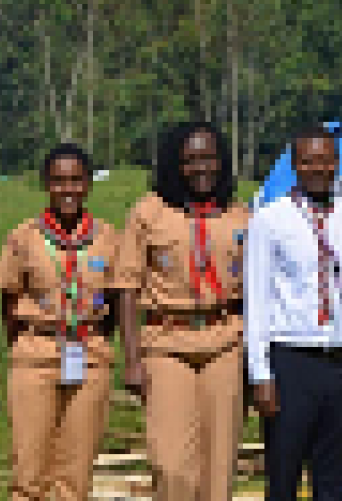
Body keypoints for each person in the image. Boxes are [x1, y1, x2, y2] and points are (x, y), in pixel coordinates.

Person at [115, 122, 249, 501]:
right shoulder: (150, 212)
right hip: (166, 341)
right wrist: (132, 360)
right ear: (175, 165)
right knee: (172, 463)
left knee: (219, 463)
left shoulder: (239, 215)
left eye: (208, 158)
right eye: (190, 160)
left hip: (224, 339)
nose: (201, 168)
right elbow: (126, 288)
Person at [246, 126, 342, 501]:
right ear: (294, 164)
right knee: (284, 474)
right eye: (307, 161)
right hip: (292, 358)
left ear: (337, 163)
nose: (317, 168)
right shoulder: (271, 220)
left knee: (334, 477)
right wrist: (261, 373)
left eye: (325, 160)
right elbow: (258, 299)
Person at [0, 144, 121, 500]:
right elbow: (8, 300)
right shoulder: (24, 236)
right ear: (46, 184)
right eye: (59, 181)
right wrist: (30, 341)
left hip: (89, 354)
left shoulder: (107, 236)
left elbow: (114, 299)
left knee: (76, 471)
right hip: (35, 353)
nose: (68, 189)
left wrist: (91, 335)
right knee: (29, 469)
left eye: (76, 180)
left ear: (88, 184)